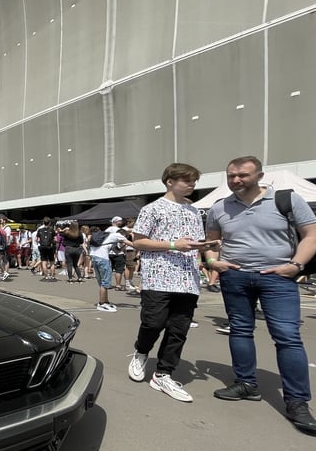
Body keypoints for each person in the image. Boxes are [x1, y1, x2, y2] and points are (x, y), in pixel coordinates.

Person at [205, 156, 316, 433]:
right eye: (231, 175)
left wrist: (295, 265)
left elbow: (311, 235)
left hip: (278, 278)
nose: (236, 180)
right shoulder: (219, 207)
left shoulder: (286, 200)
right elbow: (212, 242)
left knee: (287, 337)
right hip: (235, 277)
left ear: (259, 175)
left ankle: (297, 401)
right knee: (240, 330)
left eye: (242, 175)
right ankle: (246, 384)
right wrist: (212, 261)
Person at [127, 163, 214, 402]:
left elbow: (194, 243)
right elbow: (139, 242)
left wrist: (207, 251)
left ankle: (164, 373)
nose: (192, 185)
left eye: (194, 181)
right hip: (159, 277)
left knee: (179, 330)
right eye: (187, 181)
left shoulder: (195, 211)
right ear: (170, 182)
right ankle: (142, 351)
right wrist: (174, 245)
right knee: (153, 323)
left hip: (188, 280)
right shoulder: (152, 209)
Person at [88, 226, 127, 312]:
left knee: (102, 281)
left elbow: (117, 251)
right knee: (105, 282)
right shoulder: (117, 235)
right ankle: (102, 304)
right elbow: (130, 243)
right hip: (103, 260)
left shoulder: (107, 238)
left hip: (95, 258)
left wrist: (122, 247)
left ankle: (105, 301)